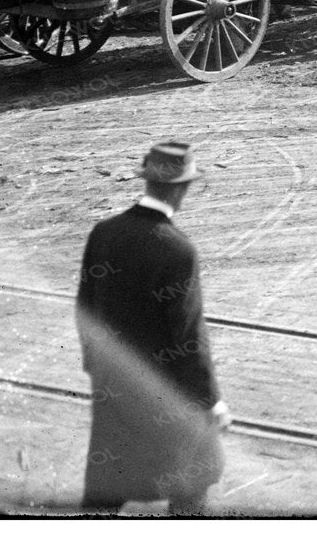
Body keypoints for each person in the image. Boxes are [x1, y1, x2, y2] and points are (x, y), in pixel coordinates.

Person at [77, 141, 230, 516]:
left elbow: (85, 308)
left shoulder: (104, 233)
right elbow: (188, 337)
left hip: (114, 389)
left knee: (106, 487)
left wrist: (98, 370)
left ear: (147, 180)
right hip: (167, 398)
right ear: (182, 188)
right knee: (193, 480)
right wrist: (211, 400)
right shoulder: (178, 250)